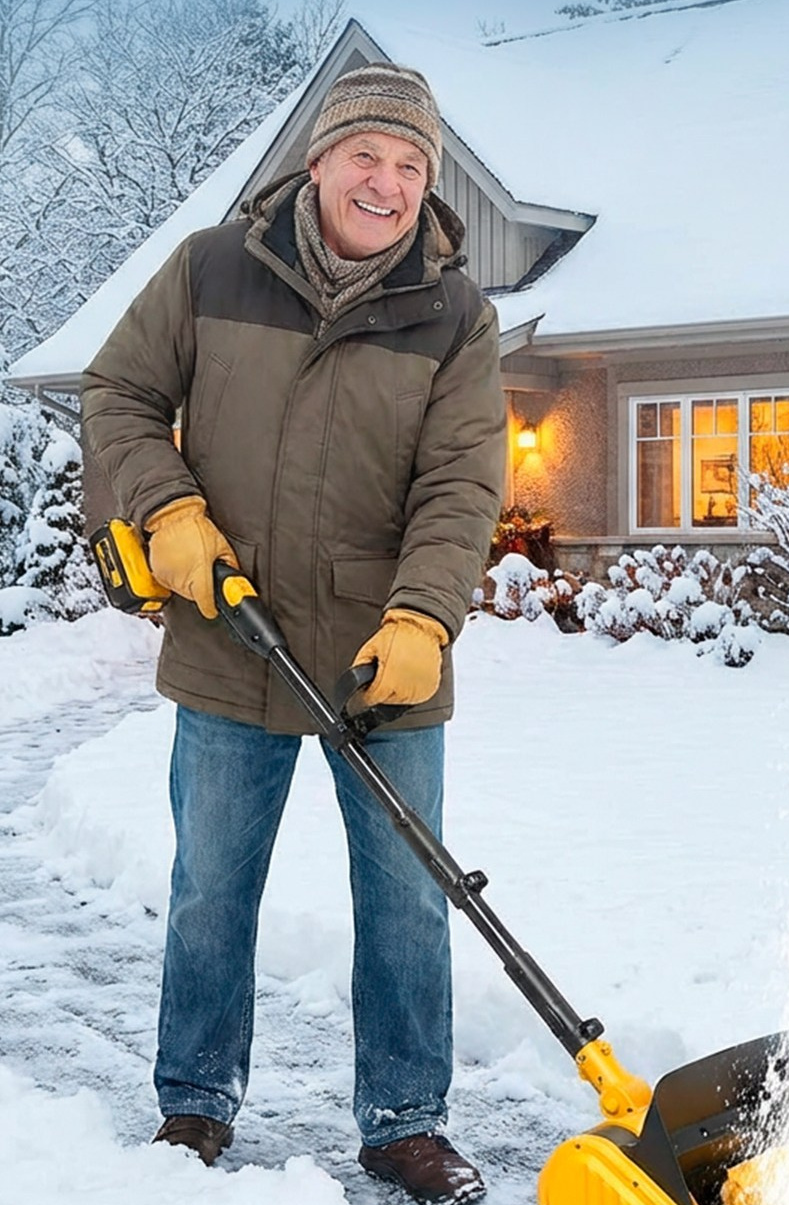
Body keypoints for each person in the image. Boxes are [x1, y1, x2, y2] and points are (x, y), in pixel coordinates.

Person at [81, 64, 506, 1204]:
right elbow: (117, 393)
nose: (388, 182)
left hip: (385, 653)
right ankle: (194, 1104)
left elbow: (462, 482)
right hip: (232, 630)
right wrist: (164, 507)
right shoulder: (213, 267)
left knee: (408, 896)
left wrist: (424, 616)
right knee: (214, 883)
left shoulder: (456, 314)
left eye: (412, 166)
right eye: (368, 155)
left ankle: (405, 1121)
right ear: (317, 161)